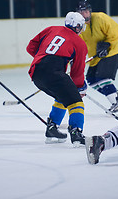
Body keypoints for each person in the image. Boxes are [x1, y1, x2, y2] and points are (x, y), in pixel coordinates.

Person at [26, 12, 88, 146]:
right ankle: (76, 133)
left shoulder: (51, 29)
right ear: (77, 27)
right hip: (54, 73)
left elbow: (31, 47)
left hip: (36, 72)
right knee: (75, 102)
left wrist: (42, 58)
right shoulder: (80, 43)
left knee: (62, 96)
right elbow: (77, 72)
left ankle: (52, 129)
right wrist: (79, 87)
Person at [77, 0, 118, 116]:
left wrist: (107, 44)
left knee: (102, 77)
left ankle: (117, 106)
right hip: (96, 57)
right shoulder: (81, 26)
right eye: (81, 12)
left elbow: (115, 31)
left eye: (85, 11)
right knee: (91, 80)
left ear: (89, 11)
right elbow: (80, 43)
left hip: (111, 53)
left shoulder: (100, 18)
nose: (84, 14)